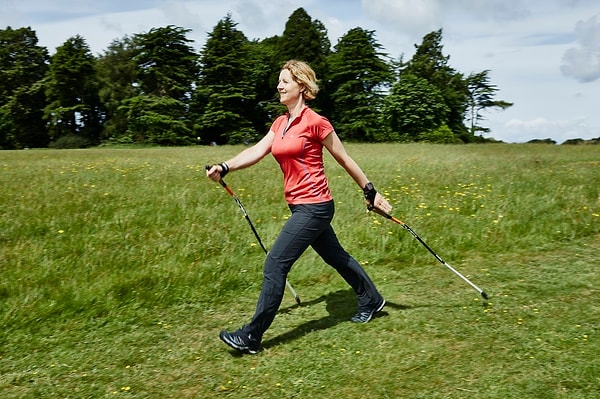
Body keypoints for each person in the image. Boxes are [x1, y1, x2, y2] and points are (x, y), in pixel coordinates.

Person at [206, 60, 393, 354]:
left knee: (275, 263)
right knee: (336, 257)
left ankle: (251, 336)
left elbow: (344, 159)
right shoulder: (280, 123)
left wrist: (370, 191)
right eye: (279, 82)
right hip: (300, 207)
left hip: (315, 207)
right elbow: (257, 150)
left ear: (302, 87)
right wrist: (225, 166)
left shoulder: (316, 122)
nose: (279, 86)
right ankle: (372, 299)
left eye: (285, 81)